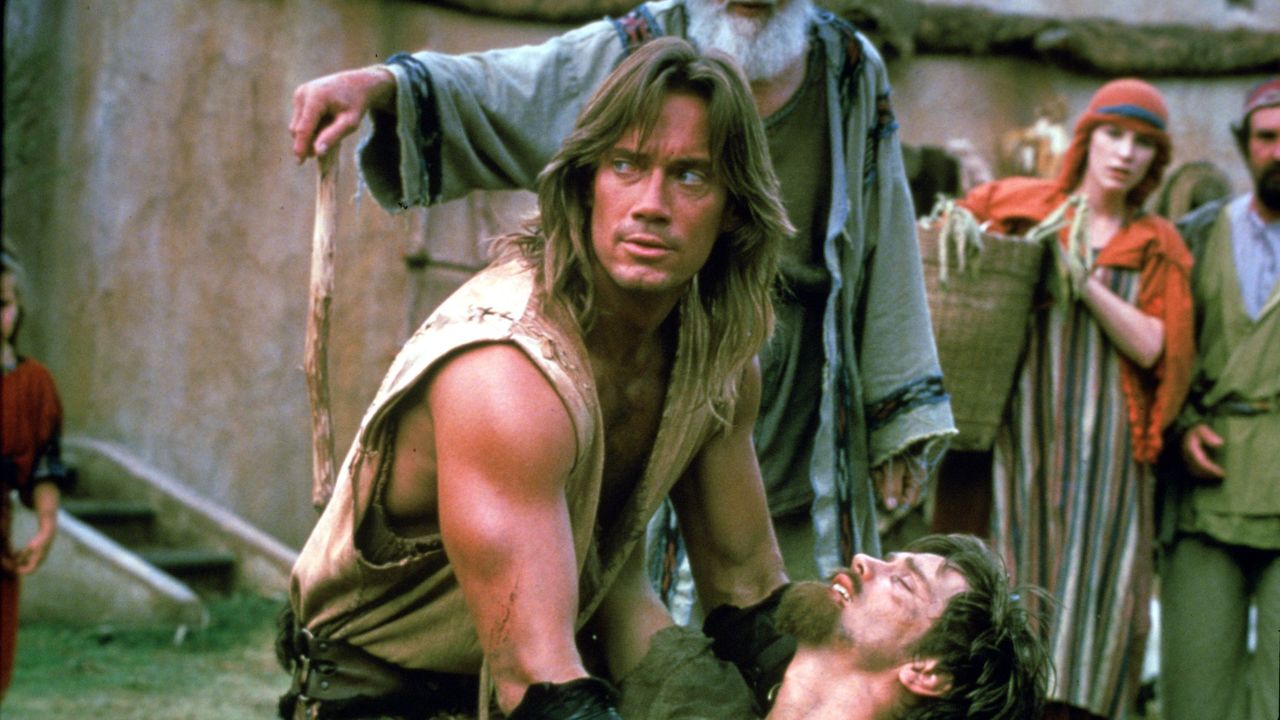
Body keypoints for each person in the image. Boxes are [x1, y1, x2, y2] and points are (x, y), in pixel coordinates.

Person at [288, 0, 955, 585]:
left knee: (781, 610)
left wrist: (898, 408)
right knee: (644, 618)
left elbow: (887, 235)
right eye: (632, 166)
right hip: (667, 384)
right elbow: (515, 86)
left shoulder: (848, 68)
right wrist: (381, 85)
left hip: (800, 414)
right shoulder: (636, 51)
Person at [282, 38, 795, 720]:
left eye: (691, 176)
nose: (651, 203)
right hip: (385, 694)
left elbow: (748, 593)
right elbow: (539, 682)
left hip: (559, 668)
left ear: (733, 208)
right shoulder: (507, 368)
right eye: (626, 165)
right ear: (585, 185)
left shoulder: (714, 352)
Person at [954, 79, 1195, 720]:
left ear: (1156, 159)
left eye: (1143, 143)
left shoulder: (1156, 242)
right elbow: (962, 235)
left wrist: (1081, 278)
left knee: (1102, 599)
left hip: (1112, 453)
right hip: (1025, 438)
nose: (1126, 153)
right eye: (1113, 135)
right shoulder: (1030, 208)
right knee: (1015, 579)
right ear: (1088, 140)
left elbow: (1154, 345)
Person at [1158, 77, 1280, 720]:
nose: (1279, 152)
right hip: (1208, 487)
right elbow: (1161, 351)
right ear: (1244, 144)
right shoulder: (1194, 237)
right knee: (1195, 692)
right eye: (1268, 137)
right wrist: (1180, 426)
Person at [758, 533, 1049, 720]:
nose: (861, 560)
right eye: (888, 561)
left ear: (926, 671)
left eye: (904, 582)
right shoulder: (746, 661)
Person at [0, 250, 68, 702]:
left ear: (18, 306)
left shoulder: (32, 384)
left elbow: (45, 462)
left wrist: (46, 526)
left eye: (2, 303)